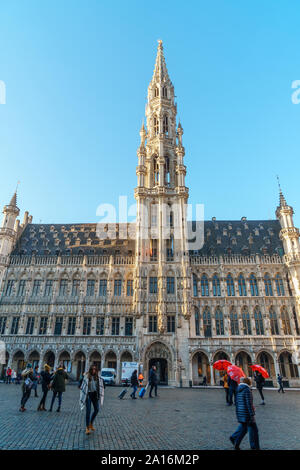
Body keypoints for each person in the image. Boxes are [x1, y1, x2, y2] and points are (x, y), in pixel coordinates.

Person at [229, 377, 260, 450]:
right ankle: (254, 446)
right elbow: (248, 403)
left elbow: (236, 402)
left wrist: (238, 413)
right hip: (247, 413)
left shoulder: (238, 389)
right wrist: (252, 414)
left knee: (244, 429)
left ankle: (235, 440)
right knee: (254, 429)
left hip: (241, 413)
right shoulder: (247, 390)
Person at [79, 365, 105, 435]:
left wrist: (103, 384)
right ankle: (87, 428)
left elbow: (102, 386)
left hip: (95, 395)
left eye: (95, 369)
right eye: (93, 369)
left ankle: (91, 423)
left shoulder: (98, 378)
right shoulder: (87, 377)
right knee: (88, 411)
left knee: (96, 410)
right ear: (90, 370)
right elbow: (81, 384)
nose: (94, 370)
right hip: (88, 395)